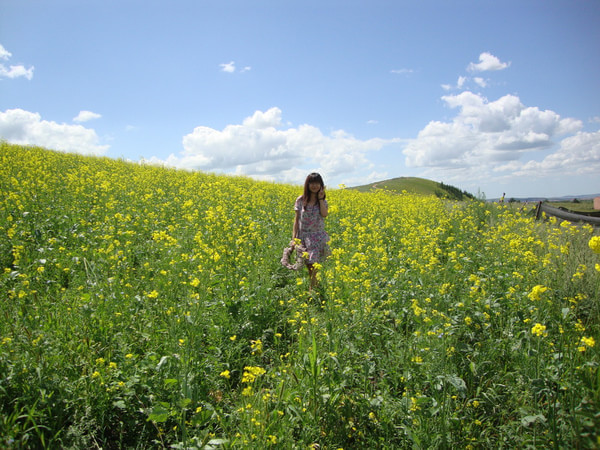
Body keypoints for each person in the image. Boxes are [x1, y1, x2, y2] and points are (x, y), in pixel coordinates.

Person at [292, 172, 330, 289]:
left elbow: (324, 214)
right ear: (307, 185)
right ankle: (315, 289)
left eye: (317, 183)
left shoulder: (323, 201)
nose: (314, 186)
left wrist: (320, 199)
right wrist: (294, 239)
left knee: (314, 266)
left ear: (321, 185)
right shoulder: (300, 200)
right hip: (304, 237)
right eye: (312, 183)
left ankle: (313, 290)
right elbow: (296, 220)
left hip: (318, 237)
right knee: (310, 266)